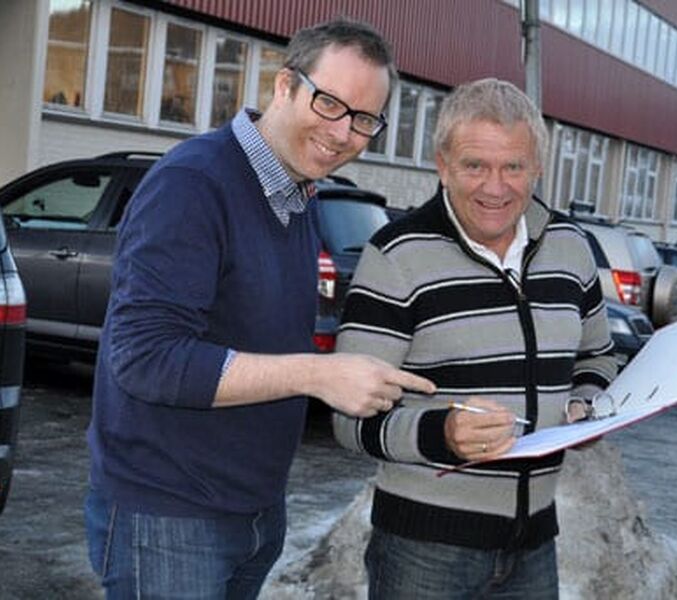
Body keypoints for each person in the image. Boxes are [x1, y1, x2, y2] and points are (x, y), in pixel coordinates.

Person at [84, 18, 434, 599]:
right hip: (170, 518)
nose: (343, 132)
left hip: (253, 509)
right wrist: (318, 375)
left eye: (364, 119)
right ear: (283, 87)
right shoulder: (194, 184)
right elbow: (146, 358)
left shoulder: (297, 194)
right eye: (329, 104)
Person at [333, 78, 619, 599]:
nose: (496, 187)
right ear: (442, 164)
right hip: (423, 551)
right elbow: (349, 421)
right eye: (474, 166)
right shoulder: (395, 256)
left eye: (514, 166)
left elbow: (597, 358)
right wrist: (441, 433)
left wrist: (587, 404)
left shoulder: (572, 248)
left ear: (537, 167)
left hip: (535, 547)